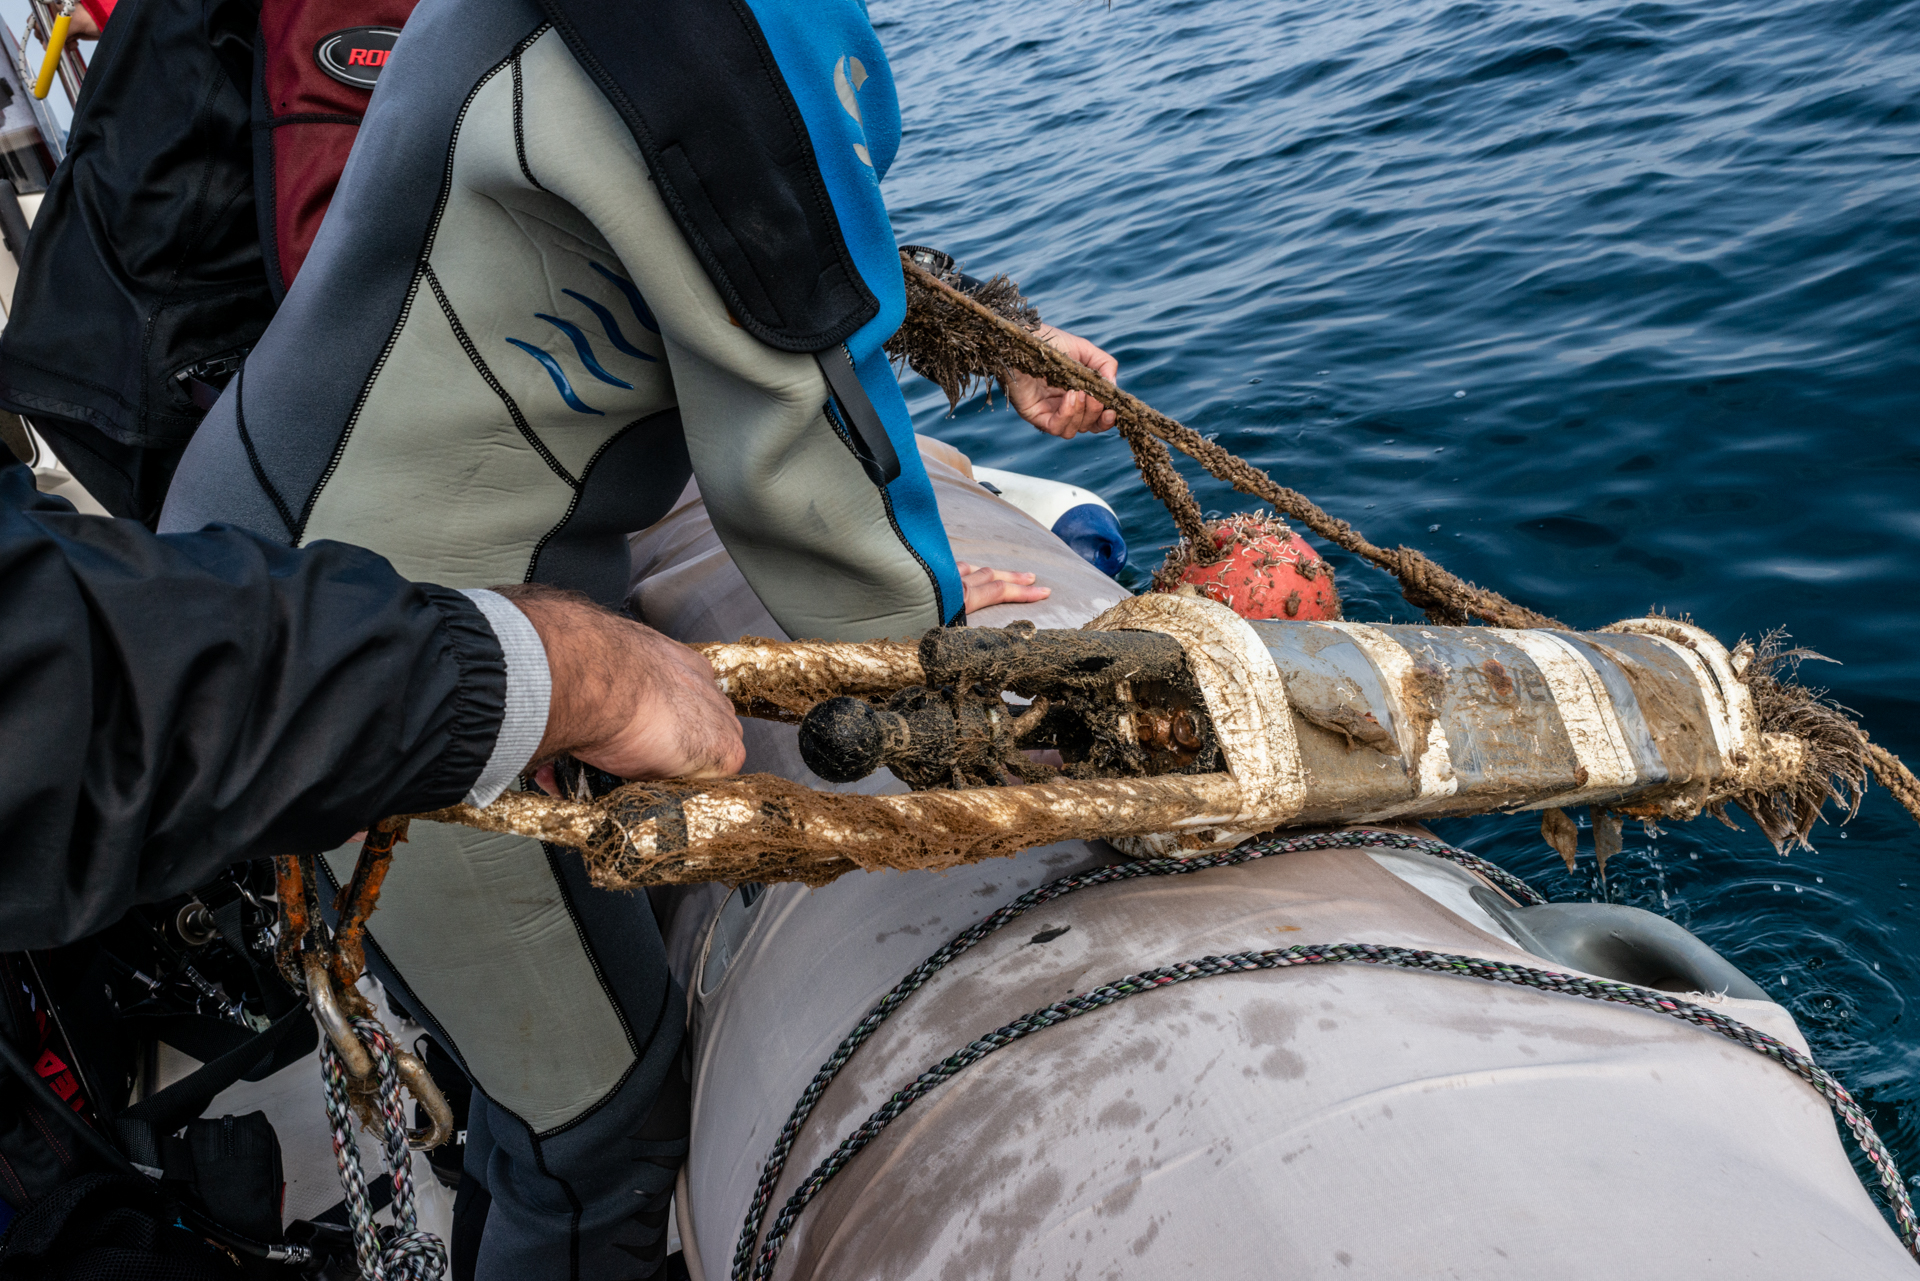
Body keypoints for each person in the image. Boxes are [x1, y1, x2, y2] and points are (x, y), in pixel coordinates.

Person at [156, 0, 1122, 1275]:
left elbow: (738, 224)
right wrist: (922, 637)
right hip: (392, 618)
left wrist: (993, 339)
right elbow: (788, 409)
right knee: (594, 1138)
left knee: (541, 1100)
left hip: (296, 553)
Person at [0, 454, 743, 951]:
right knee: (605, 1114)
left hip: (290, 595)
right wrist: (582, 676)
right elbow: (59, 698)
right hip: (332, 631)